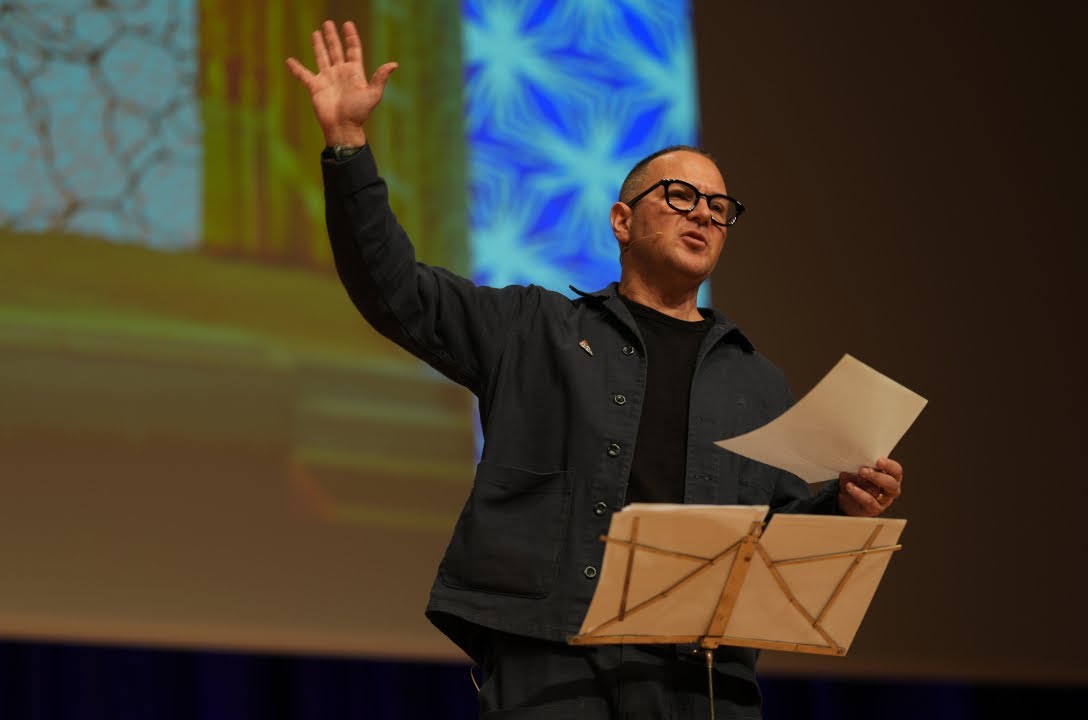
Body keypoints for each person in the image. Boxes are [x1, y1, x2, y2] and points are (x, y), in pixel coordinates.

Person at [287, 20, 904, 719]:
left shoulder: (757, 381)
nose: (703, 214)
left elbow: (781, 539)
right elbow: (395, 289)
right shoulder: (534, 329)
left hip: (698, 683)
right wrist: (348, 144)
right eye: (680, 196)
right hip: (555, 665)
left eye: (719, 207)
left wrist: (846, 506)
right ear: (621, 221)